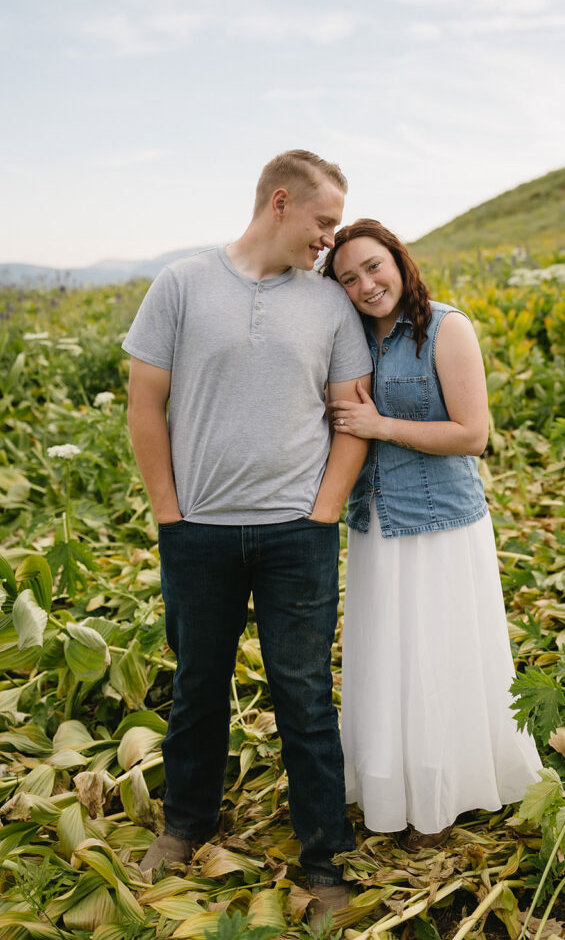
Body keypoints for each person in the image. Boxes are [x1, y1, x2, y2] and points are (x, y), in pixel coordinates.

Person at [123, 151, 372, 920]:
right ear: (279, 202)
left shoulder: (329, 307)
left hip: (298, 536)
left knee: (302, 696)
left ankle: (324, 863)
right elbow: (144, 406)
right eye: (322, 222)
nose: (328, 240)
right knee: (197, 685)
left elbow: (349, 417)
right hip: (198, 530)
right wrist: (169, 513)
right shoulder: (182, 285)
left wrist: (323, 511)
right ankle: (185, 827)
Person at [324, 219, 541, 851]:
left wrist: (380, 424)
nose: (366, 284)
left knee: (438, 657)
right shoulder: (352, 341)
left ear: (398, 259)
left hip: (442, 524)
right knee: (387, 658)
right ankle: (393, 789)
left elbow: (473, 434)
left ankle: (443, 800)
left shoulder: (446, 327)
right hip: (375, 525)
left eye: (373, 266)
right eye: (348, 278)